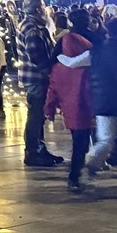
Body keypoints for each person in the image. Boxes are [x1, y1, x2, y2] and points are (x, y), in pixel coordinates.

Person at [58, 17, 117, 194]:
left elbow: (71, 63)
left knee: (105, 140)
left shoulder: (95, 52)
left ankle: (90, 163)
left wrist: (58, 56)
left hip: (104, 102)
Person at [44, 23, 95, 192]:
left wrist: (49, 110)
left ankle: (78, 172)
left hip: (69, 112)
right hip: (85, 111)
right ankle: (74, 176)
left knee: (78, 142)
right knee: (81, 146)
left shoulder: (58, 67)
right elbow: (89, 91)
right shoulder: (86, 68)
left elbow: (52, 90)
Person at [16, 0, 63, 167]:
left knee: (38, 115)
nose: (45, 9)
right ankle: (33, 151)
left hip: (34, 77)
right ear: (37, 9)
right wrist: (49, 72)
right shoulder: (32, 28)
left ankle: (39, 148)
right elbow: (36, 56)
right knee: (35, 115)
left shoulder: (32, 25)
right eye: (43, 6)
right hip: (36, 78)